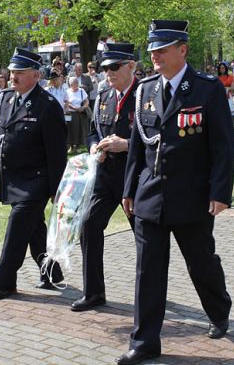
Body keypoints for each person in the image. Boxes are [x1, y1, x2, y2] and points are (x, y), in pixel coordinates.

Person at [119, 20, 234, 365]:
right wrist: (129, 189)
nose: (155, 55)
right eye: (153, 49)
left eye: (163, 49)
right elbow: (139, 146)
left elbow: (223, 146)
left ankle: (218, 309)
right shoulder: (146, 89)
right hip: (151, 195)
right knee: (148, 271)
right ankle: (144, 342)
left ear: (182, 50)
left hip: (193, 196)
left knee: (201, 263)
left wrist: (220, 193)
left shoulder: (206, 89)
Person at [0, 48, 67, 300]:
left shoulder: (47, 105)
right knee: (34, 229)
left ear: (36, 75)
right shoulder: (5, 99)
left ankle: (4, 282)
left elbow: (57, 153)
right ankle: (52, 273)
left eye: (19, 72)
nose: (13, 77)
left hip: (36, 181)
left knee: (18, 228)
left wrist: (57, 189)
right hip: (13, 178)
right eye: (12, 72)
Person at [70, 44, 138, 313]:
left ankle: (151, 289)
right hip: (105, 176)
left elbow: (156, 140)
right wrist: (93, 147)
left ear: (130, 66)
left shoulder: (146, 94)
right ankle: (94, 292)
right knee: (88, 226)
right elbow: (92, 132)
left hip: (134, 178)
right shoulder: (103, 96)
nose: (108, 72)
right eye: (105, 68)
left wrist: (127, 144)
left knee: (145, 239)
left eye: (114, 67)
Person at [65, 76, 90, 153]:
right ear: (71, 84)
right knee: (71, 130)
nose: (76, 84)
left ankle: (78, 146)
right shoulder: (67, 92)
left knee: (80, 129)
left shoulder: (81, 90)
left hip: (80, 113)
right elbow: (66, 103)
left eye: (77, 82)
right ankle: (72, 147)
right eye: (74, 83)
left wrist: (83, 107)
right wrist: (75, 108)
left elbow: (87, 101)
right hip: (71, 113)